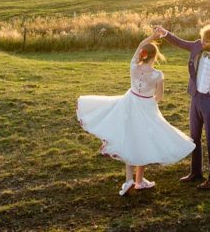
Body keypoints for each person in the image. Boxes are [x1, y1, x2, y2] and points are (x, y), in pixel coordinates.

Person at [76, 31, 195, 195]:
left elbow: (140, 45)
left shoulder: (133, 65)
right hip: (146, 106)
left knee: (130, 140)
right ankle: (138, 181)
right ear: (155, 56)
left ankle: (129, 180)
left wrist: (151, 37)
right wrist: (150, 97)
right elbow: (159, 97)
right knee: (142, 141)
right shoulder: (157, 75)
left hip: (129, 103)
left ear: (142, 54)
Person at [153, 23, 210, 190]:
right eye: (202, 38)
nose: (202, 42)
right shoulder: (197, 45)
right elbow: (179, 42)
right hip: (195, 98)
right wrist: (164, 33)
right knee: (194, 139)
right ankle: (196, 172)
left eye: (207, 41)